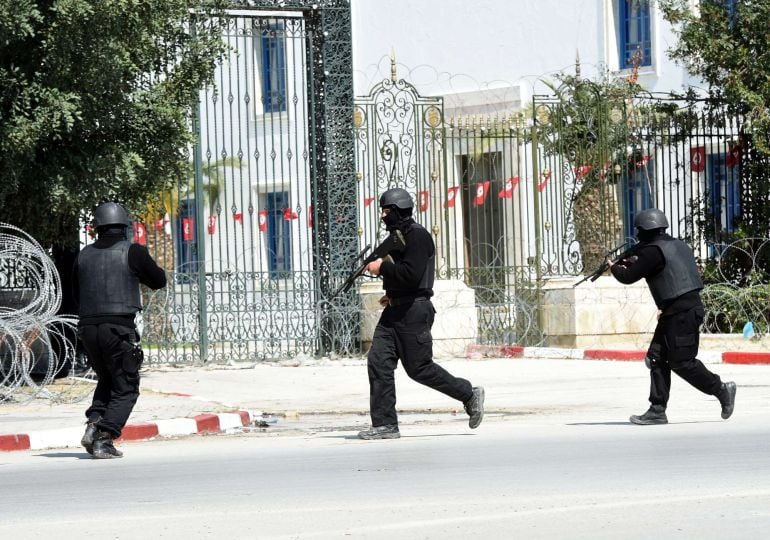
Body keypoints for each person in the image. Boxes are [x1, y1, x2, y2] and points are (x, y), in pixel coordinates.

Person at [357, 187, 484, 439]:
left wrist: (381, 268)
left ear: (397, 211)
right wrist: (391, 291)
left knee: (419, 369)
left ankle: (469, 394)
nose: (383, 216)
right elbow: (403, 275)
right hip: (395, 310)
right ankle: (385, 425)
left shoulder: (417, 236)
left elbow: (412, 274)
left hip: (414, 312)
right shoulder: (398, 236)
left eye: (386, 211)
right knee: (378, 361)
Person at [608, 208, 736, 425]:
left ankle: (722, 389)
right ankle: (657, 410)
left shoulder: (651, 251)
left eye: (639, 231)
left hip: (682, 314)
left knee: (682, 362)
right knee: (656, 357)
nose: (637, 235)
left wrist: (615, 268)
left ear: (644, 229)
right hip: (676, 311)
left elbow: (629, 276)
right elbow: (661, 270)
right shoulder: (677, 245)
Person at [74, 202, 167, 458]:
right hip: (119, 328)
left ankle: (93, 425)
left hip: (89, 329)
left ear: (97, 228)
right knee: (126, 386)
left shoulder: (84, 255)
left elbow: (75, 292)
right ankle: (105, 437)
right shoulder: (133, 252)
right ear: (125, 226)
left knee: (106, 378)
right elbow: (159, 280)